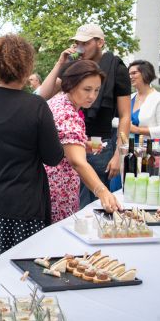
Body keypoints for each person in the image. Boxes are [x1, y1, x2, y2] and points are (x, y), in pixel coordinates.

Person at [0, 34, 64, 267]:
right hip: (22, 207)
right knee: (22, 279)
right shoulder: (36, 106)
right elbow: (53, 156)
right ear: (25, 66)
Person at [37, 23, 131, 206]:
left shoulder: (117, 68)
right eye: (77, 42)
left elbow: (125, 116)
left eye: (85, 43)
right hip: (68, 146)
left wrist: (120, 154)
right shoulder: (73, 69)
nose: (80, 47)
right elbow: (43, 95)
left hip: (98, 144)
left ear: (100, 42)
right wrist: (59, 64)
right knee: (75, 202)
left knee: (98, 204)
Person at [45, 60, 121, 223]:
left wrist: (82, 145)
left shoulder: (58, 101)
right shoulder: (69, 115)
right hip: (59, 190)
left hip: (47, 185)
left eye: (96, 90)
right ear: (71, 84)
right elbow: (77, 162)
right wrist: (102, 191)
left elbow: (57, 141)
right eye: (87, 89)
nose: (92, 96)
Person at [128, 60, 160, 143]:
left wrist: (137, 130)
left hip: (151, 149)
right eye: (129, 74)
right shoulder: (130, 97)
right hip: (129, 148)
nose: (130, 76)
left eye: (134, 73)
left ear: (145, 73)